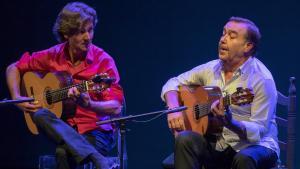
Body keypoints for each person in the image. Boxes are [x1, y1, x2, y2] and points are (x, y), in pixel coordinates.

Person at [6, 2, 123, 169]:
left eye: (90, 30)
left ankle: (96, 156)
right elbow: (13, 68)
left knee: (62, 153)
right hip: (64, 128)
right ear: (67, 34)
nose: (88, 37)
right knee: (39, 115)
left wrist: (90, 104)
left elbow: (116, 107)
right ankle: (97, 159)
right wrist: (16, 97)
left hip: (96, 131)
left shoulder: (103, 61)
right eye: (81, 32)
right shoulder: (53, 55)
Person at [161, 17, 279, 169]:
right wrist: (173, 109)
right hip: (219, 144)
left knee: (244, 159)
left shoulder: (262, 79)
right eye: (223, 33)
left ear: (247, 46)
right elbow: (173, 82)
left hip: (256, 147)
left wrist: (230, 123)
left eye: (232, 36)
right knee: (184, 139)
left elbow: (260, 131)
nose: (223, 39)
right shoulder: (211, 68)